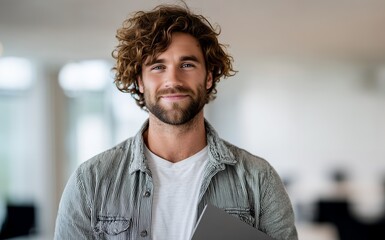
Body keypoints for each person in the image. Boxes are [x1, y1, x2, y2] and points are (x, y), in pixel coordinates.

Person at [54, 4, 297, 240]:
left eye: (187, 64)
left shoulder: (258, 179)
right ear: (140, 82)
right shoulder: (91, 182)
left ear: (209, 77)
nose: (173, 79)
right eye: (158, 66)